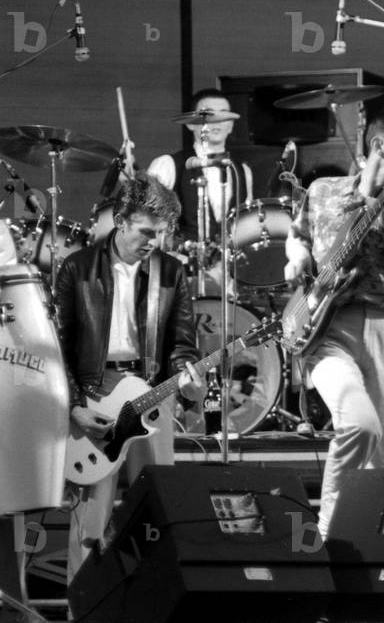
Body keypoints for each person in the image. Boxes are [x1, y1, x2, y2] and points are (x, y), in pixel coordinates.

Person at [284, 102, 384, 538]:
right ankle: (329, 535)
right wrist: (295, 260)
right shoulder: (323, 190)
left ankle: (370, 549)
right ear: (376, 145)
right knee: (358, 422)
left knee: (383, 456)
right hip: (328, 328)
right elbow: (299, 235)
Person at [56, 176, 205, 586]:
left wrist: (189, 379)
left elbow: (182, 344)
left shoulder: (171, 272)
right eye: (145, 232)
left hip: (153, 392)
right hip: (97, 393)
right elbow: (61, 348)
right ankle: (80, 610)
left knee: (156, 510)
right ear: (120, 220)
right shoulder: (77, 267)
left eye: (160, 234)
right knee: (90, 519)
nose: (154, 242)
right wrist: (74, 407)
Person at [147, 88, 254, 293]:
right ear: (190, 123)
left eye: (224, 114)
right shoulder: (168, 165)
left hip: (226, 280)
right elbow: (147, 225)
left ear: (231, 125)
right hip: (178, 276)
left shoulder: (242, 171)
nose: (216, 121)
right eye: (208, 114)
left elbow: (243, 229)